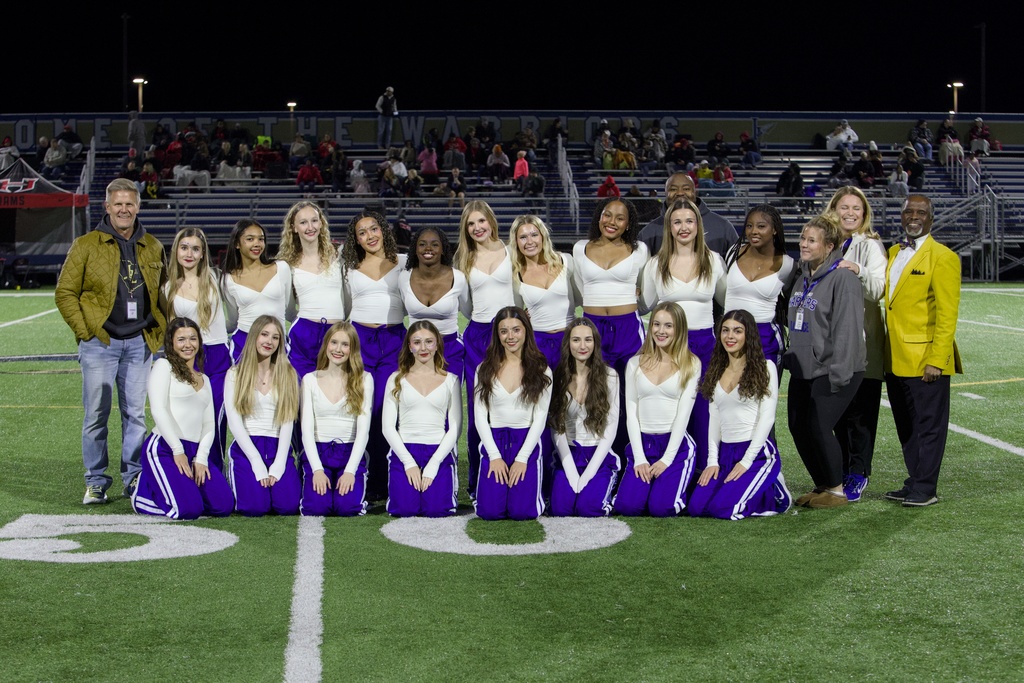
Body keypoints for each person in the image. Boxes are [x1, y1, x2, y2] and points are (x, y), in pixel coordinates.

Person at [55, 178, 166, 504]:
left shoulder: (154, 245)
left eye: (129, 203)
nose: (124, 209)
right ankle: (96, 481)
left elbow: (162, 295)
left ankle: (133, 479)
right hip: (100, 343)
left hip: (139, 343)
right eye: (117, 203)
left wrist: (158, 333)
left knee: (136, 416)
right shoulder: (86, 244)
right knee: (96, 416)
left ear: (138, 207)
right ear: (107, 207)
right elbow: (65, 293)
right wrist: (86, 331)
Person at [883, 195, 962, 507]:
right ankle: (914, 480)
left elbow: (947, 315)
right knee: (907, 427)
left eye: (921, 212)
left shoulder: (943, 257)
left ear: (931, 218)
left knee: (929, 427)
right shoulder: (892, 252)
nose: (914, 216)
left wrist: (937, 360)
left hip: (925, 361)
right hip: (894, 358)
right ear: (902, 216)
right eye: (909, 211)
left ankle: (926, 488)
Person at [785, 213, 866, 510]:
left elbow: (848, 330)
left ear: (829, 245)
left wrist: (839, 373)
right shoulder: (803, 275)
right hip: (804, 368)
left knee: (818, 425)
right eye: (803, 239)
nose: (804, 245)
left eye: (811, 240)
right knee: (797, 425)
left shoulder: (842, 278)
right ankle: (824, 484)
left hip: (833, 367)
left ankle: (837, 490)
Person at [641, 198, 726, 477]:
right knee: (670, 411)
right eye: (677, 222)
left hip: (704, 346)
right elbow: (646, 307)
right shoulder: (655, 264)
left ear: (698, 224)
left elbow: (727, 302)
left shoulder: (714, 261)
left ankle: (703, 472)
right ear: (669, 227)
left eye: (689, 221)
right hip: (667, 350)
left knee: (704, 413)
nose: (683, 227)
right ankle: (672, 472)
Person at [688, 309, 792, 519]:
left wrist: (746, 462)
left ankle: (775, 487)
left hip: (756, 453)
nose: (730, 336)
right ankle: (759, 487)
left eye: (737, 331)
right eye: (725, 330)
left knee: (723, 509)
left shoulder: (766, 366)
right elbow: (714, 419)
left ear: (748, 335)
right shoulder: (716, 368)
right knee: (696, 508)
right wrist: (712, 461)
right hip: (726, 453)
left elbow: (768, 417)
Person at [131, 318, 233, 519]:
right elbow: (158, 410)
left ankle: (176, 488)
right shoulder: (163, 366)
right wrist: (177, 450)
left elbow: (209, 423)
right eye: (181, 340)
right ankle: (143, 496)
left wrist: (202, 458)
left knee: (223, 506)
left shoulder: (205, 379)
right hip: (166, 448)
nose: (188, 345)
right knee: (188, 511)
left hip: (194, 451)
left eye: (193, 339)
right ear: (171, 342)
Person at [573, 198, 648, 459]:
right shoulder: (580, 248)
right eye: (607, 215)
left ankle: (630, 458)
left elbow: (645, 292)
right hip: (593, 331)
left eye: (619, 218)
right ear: (599, 217)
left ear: (628, 224)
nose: (612, 222)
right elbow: (582, 290)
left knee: (630, 398)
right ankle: (599, 459)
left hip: (628, 329)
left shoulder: (640, 250)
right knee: (595, 394)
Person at [825, 187, 887, 501]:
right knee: (836, 414)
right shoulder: (827, 243)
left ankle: (858, 473)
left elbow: (879, 289)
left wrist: (858, 270)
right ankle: (840, 472)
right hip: (832, 345)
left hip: (862, 344)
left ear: (864, 214)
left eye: (857, 209)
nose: (850, 213)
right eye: (844, 207)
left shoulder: (870, 246)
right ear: (833, 209)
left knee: (860, 415)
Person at [342, 211, 407, 501]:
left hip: (394, 340)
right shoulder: (348, 268)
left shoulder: (404, 263)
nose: (370, 236)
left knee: (386, 411)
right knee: (360, 409)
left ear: (384, 230)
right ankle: (359, 477)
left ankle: (385, 481)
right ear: (355, 239)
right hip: (360, 341)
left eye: (374, 229)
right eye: (362, 232)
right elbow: (343, 306)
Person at [612, 302, 699, 517]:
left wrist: (667, 459)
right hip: (642, 444)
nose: (661, 331)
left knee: (661, 508)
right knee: (628, 508)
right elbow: (631, 414)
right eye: (656, 324)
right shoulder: (634, 363)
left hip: (674, 447)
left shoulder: (691, 364)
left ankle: (676, 486)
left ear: (679, 329)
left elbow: (683, 415)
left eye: (668, 326)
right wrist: (640, 458)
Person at [455, 200, 515, 498]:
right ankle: (478, 481)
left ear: (491, 221)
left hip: (510, 335)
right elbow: (465, 306)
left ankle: (515, 471)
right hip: (478, 336)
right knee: (479, 406)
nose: (477, 228)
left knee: (513, 404)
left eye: (481, 221)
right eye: (471, 224)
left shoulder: (511, 250)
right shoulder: (464, 259)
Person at [473, 307, 553, 521]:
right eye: (504, 331)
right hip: (495, 443)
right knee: (489, 512)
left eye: (516, 330)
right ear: (497, 335)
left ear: (526, 331)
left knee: (522, 512)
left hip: (525, 442)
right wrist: (495, 456)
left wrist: (522, 458)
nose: (510, 337)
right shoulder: (484, 369)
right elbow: (480, 417)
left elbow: (540, 418)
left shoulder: (542, 370)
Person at [164, 228, 231, 466]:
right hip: (189, 359)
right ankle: (188, 469)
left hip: (218, 356)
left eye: (195, 248)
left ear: (203, 253)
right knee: (190, 418)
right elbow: (174, 333)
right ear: (176, 251)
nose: (189, 253)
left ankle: (214, 470)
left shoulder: (216, 278)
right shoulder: (169, 287)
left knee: (215, 418)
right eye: (184, 247)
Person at [380, 322, 462, 517]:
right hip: (405, 449)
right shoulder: (395, 379)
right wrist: (408, 463)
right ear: (409, 346)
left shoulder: (451, 380)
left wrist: (434, 464)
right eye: (417, 342)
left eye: (429, 342)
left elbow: (455, 427)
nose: (423, 348)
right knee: (404, 509)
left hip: (438, 449)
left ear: (437, 345)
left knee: (438, 509)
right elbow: (387, 427)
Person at [225, 315, 300, 516]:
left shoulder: (288, 374)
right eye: (264, 334)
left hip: (278, 446)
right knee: (254, 508)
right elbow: (234, 421)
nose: (269, 341)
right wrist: (256, 461)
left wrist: (279, 462)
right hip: (247, 447)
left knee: (288, 506)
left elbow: (287, 420)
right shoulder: (235, 374)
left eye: (275, 337)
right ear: (254, 337)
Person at [299, 322, 373, 516]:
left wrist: (350, 471)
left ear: (353, 349)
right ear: (326, 345)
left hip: (348, 452)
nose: (338, 349)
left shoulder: (365, 379)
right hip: (319, 451)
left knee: (347, 508)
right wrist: (317, 469)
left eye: (345, 344)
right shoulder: (309, 380)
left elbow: (363, 431)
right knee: (316, 508)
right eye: (334, 342)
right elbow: (306, 430)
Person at [548, 318, 620, 517]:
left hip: (598, 453)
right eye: (576, 340)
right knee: (560, 510)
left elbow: (611, 428)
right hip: (568, 453)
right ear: (568, 344)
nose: (582, 346)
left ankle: (611, 493)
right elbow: (556, 426)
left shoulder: (610, 376)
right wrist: (570, 470)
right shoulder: (558, 376)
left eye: (588, 340)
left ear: (595, 343)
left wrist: (589, 473)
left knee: (589, 508)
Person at [276, 201, 344, 378]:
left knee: (336, 390)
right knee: (301, 389)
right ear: (293, 227)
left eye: (314, 221)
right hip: (304, 333)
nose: (310, 227)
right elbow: (288, 308)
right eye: (303, 222)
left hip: (336, 332)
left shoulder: (339, 256)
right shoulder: (286, 264)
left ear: (321, 223)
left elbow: (349, 298)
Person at [723, 204, 795, 372]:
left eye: (761, 226)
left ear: (775, 229)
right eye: (749, 226)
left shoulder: (788, 265)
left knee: (764, 394)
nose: (753, 231)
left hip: (765, 337)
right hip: (730, 334)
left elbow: (790, 302)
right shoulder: (734, 252)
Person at [220, 219, 293, 364]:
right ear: (237, 244)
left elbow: (289, 309)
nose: (257, 244)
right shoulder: (228, 279)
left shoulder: (281, 268)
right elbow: (233, 320)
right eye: (250, 239)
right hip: (244, 343)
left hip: (276, 342)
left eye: (261, 239)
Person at [509, 215, 577, 370]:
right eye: (523, 237)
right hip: (537, 343)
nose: (530, 241)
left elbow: (581, 297)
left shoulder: (565, 260)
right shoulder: (515, 275)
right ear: (516, 242)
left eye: (534, 235)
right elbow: (517, 312)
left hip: (569, 339)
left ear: (543, 236)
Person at [399, 227, 468, 378]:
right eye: (422, 244)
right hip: (416, 349)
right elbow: (402, 309)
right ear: (415, 249)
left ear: (443, 249)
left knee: (450, 397)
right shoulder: (404, 277)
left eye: (435, 244)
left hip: (449, 347)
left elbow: (468, 311)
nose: (428, 248)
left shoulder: (458, 278)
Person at [638, 172, 738, 259]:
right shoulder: (648, 233)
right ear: (665, 193)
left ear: (695, 192)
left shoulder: (723, 227)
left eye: (686, 188)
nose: (680, 193)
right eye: (673, 189)